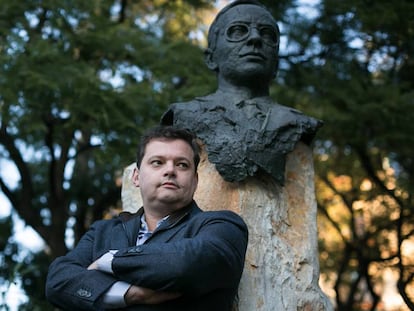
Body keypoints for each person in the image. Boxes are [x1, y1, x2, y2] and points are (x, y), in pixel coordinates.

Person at [45, 125, 248, 311]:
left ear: (195, 181)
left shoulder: (222, 226)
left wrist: (110, 261)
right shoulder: (102, 232)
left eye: (182, 165)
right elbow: (58, 282)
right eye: (157, 162)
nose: (170, 170)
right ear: (136, 177)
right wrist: (130, 294)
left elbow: (186, 265)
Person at [161, 0, 322, 185]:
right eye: (238, 31)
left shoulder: (298, 123)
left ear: (276, 65)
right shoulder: (183, 114)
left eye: (267, 34)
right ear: (211, 58)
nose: (255, 38)